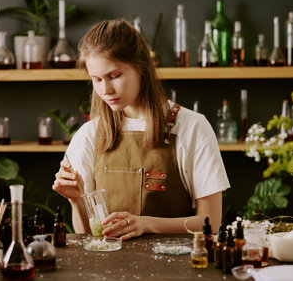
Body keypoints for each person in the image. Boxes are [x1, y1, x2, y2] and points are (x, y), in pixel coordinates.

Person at [52, 19, 230, 240]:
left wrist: (146, 224)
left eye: (114, 76)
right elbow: (87, 235)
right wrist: (75, 200)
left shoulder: (192, 127)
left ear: (141, 68)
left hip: (176, 268)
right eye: (96, 79)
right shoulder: (89, 135)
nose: (105, 89)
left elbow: (210, 222)